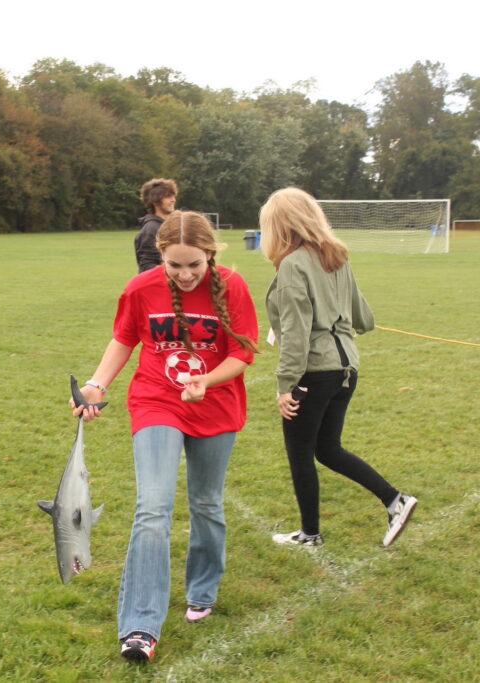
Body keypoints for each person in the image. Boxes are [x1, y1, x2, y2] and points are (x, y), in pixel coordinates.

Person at [74, 211, 258, 663]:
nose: (185, 274)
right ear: (161, 257)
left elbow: (243, 352)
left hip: (215, 405)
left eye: (194, 264)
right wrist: (98, 385)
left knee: (206, 503)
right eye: (175, 265)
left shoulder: (232, 286)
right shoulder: (142, 288)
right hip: (156, 400)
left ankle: (202, 588)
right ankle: (140, 625)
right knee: (152, 507)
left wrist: (207, 382)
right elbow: (124, 339)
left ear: (210, 254)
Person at [259, 187, 417, 549]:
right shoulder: (337, 257)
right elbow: (364, 318)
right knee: (327, 449)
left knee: (301, 454)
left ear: (280, 227)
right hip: (346, 369)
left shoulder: (293, 264)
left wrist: (285, 385)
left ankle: (311, 534)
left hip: (315, 372)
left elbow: (297, 335)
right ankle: (395, 501)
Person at [133, 178, 178, 272]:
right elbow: (147, 265)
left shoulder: (169, 225)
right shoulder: (151, 229)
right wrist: (174, 271)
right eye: (168, 197)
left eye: (173, 196)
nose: (173, 200)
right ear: (155, 201)